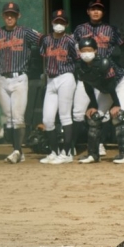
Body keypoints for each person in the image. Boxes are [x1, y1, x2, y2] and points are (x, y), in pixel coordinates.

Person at [0, 2, 41, 164]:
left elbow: (43, 41)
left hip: (19, 77)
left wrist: (35, 66)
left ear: (18, 16)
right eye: (7, 14)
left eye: (13, 14)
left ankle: (16, 151)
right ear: (3, 16)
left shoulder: (25, 32)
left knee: (18, 117)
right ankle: (18, 152)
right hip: (2, 78)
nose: (10, 17)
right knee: (9, 117)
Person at [72, 0, 124, 159]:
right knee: (92, 114)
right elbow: (73, 48)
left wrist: (118, 67)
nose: (96, 11)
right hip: (91, 74)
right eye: (93, 9)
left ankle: (123, 153)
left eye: (99, 9)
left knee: (118, 114)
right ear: (88, 11)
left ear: (103, 12)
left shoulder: (111, 30)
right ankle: (91, 151)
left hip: (110, 76)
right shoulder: (80, 29)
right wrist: (92, 103)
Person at [74, 37, 124, 164]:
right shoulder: (80, 66)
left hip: (120, 83)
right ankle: (93, 154)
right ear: (79, 52)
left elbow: (110, 84)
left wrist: (116, 104)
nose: (86, 53)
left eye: (89, 50)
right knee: (94, 117)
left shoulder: (104, 62)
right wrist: (93, 105)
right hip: (105, 89)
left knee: (119, 116)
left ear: (96, 50)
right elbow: (87, 85)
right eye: (83, 50)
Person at [39, 9, 78, 164]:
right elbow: (43, 57)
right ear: (52, 22)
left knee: (65, 116)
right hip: (51, 79)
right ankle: (54, 152)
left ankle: (67, 153)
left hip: (66, 77)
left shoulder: (70, 41)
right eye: (57, 21)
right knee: (47, 119)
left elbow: (78, 59)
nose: (59, 24)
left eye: (62, 22)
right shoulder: (46, 40)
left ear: (66, 24)